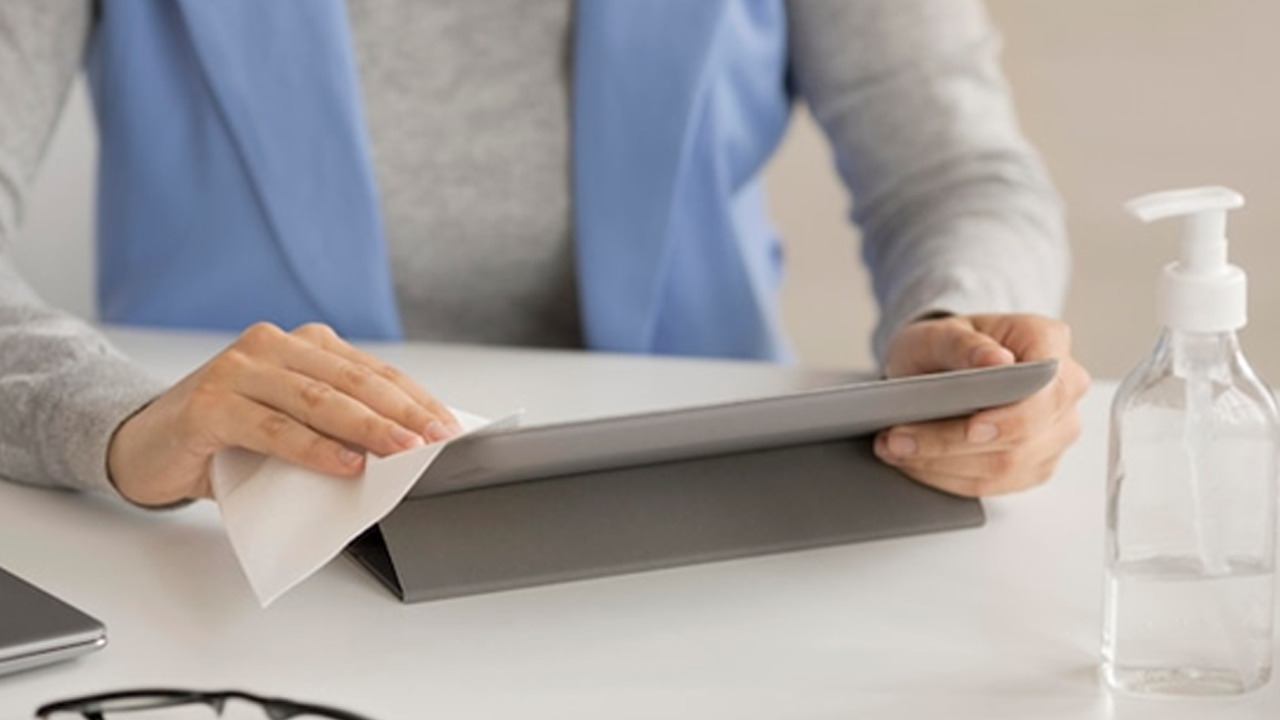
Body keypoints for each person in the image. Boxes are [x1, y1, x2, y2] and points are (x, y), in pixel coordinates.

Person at [0, 0, 1089, 509]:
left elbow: (955, 169)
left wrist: (966, 329)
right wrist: (119, 425)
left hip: (707, 490)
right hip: (242, 517)